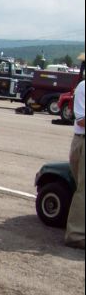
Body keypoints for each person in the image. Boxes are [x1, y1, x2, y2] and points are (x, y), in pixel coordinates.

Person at [64, 76, 85, 249]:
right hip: (83, 141)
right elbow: (82, 119)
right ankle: (76, 235)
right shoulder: (84, 87)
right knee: (84, 189)